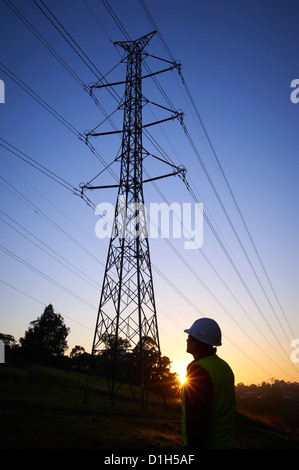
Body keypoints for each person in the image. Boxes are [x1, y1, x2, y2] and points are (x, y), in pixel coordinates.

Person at [182, 317, 236, 449]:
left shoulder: (199, 371)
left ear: (196, 342)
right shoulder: (224, 367)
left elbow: (197, 419)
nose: (187, 340)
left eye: (189, 337)